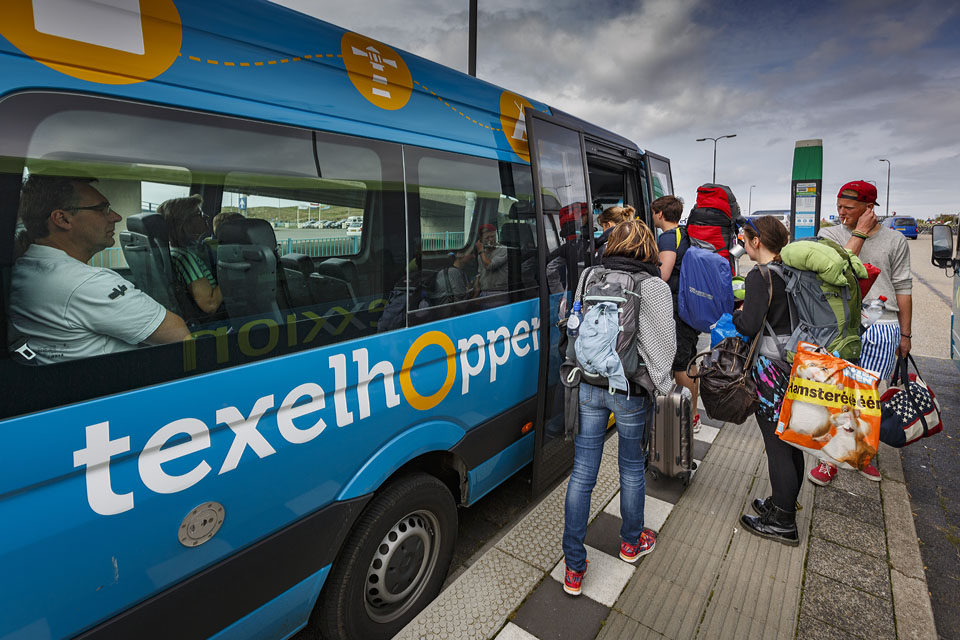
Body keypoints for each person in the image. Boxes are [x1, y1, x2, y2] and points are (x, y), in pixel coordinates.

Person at [562, 219, 676, 595]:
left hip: (588, 384)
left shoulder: (589, 275)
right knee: (630, 467)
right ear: (648, 250)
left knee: (582, 473)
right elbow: (663, 349)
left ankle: (574, 568)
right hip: (627, 390)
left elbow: (572, 321)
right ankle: (631, 543)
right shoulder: (653, 286)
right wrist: (665, 390)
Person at [9, 175, 190, 364]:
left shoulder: (24, 268)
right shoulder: (86, 284)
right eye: (102, 209)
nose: (116, 217)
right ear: (62, 218)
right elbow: (180, 336)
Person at [810, 180, 912, 485]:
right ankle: (829, 458)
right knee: (836, 391)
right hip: (840, 324)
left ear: (869, 209)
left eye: (848, 208)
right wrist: (858, 234)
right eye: (838, 205)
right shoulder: (830, 234)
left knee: (867, 396)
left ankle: (861, 454)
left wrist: (906, 335)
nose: (840, 212)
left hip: (883, 326)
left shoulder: (895, 241)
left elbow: (903, 288)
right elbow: (835, 270)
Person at [732, 216, 800, 546]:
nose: (743, 243)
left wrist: (736, 313)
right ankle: (782, 504)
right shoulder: (791, 269)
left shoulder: (759, 276)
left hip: (771, 369)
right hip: (795, 363)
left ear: (757, 241)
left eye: (745, 238)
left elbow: (748, 325)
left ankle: (784, 521)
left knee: (776, 445)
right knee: (790, 438)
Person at [651, 195, 702, 432]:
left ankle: (690, 417)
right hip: (688, 306)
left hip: (677, 308)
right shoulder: (685, 234)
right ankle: (693, 414)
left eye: (654, 212)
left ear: (660, 214)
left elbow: (663, 274)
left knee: (681, 364)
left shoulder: (669, 237)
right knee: (690, 360)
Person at [160, 195, 223, 316]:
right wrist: (230, 275)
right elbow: (210, 304)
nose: (206, 217)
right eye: (199, 214)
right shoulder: (185, 258)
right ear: (184, 222)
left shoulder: (176, 251)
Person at [474, 223, 508, 296]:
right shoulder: (482, 254)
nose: (491, 239)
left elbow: (489, 265)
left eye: (493, 236)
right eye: (487, 238)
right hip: (484, 292)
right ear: (481, 239)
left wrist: (480, 251)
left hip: (499, 292)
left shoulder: (503, 250)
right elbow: (480, 273)